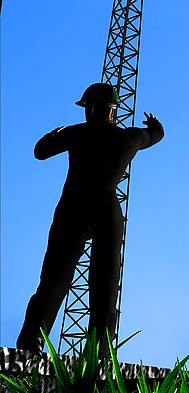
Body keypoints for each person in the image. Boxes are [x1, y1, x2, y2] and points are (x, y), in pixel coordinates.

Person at [17, 82, 164, 355]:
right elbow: (156, 135)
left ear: (91, 107)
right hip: (108, 211)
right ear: (114, 110)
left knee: (55, 280)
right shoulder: (128, 138)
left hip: (74, 208)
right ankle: (99, 354)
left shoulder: (77, 133)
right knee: (105, 288)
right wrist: (154, 124)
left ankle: (32, 344)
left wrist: (56, 132)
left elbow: (40, 151)